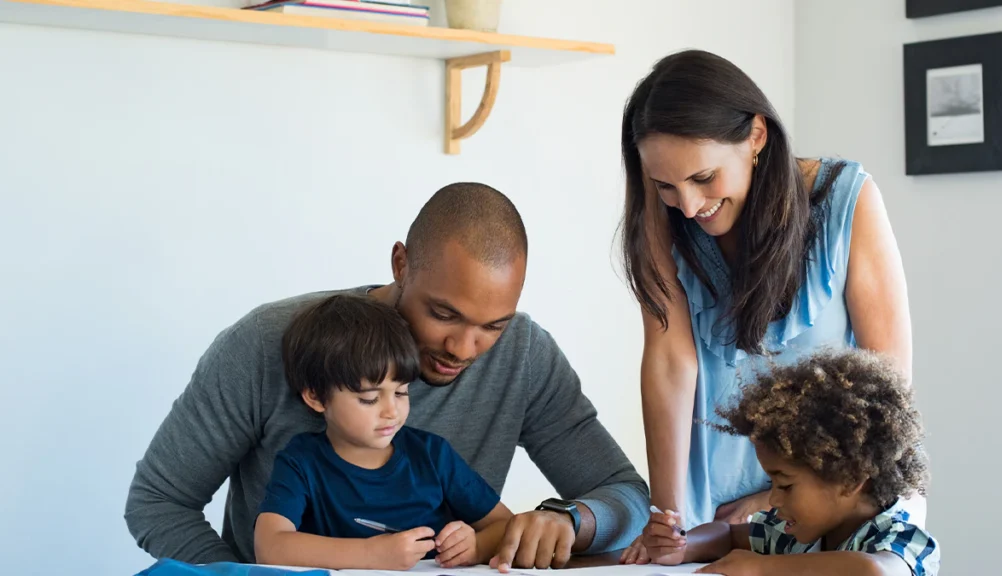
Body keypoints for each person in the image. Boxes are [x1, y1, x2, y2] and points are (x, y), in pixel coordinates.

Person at [125, 182, 649, 570]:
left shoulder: (524, 354)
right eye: (443, 314)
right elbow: (158, 502)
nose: (464, 349)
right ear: (401, 263)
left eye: (493, 325)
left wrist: (570, 520)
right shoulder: (267, 343)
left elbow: (625, 495)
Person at [617, 50, 914, 563]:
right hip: (709, 514)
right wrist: (668, 517)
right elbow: (670, 362)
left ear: (756, 136)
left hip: (834, 506)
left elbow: (886, 385)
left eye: (704, 178)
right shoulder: (662, 221)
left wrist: (773, 499)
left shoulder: (848, 200)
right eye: (666, 185)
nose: (688, 206)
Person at [254, 294, 513, 570]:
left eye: (401, 392)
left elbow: (506, 525)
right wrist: (371, 554)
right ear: (316, 397)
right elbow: (270, 546)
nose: (392, 411)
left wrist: (476, 546)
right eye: (369, 398)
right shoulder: (301, 462)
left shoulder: (432, 456)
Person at [642, 349, 940, 576]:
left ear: (850, 478)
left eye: (785, 484)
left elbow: (873, 571)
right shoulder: (795, 533)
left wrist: (761, 568)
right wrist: (682, 546)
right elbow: (727, 535)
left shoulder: (899, 536)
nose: (772, 498)